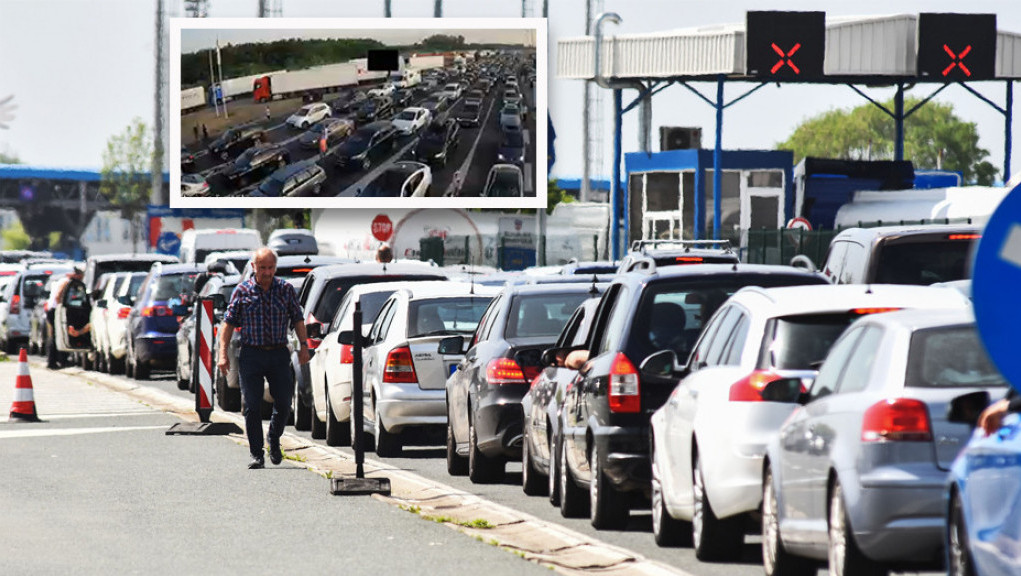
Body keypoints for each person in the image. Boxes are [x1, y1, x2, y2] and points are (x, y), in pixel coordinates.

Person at [217, 248, 310, 469]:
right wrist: (222, 354)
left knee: (285, 402)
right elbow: (228, 324)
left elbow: (297, 319)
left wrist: (304, 346)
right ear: (253, 267)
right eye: (262, 268)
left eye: (270, 268)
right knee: (252, 405)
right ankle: (256, 453)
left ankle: (274, 438)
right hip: (251, 354)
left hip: (278, 353)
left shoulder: (285, 290)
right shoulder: (242, 291)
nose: (267, 272)